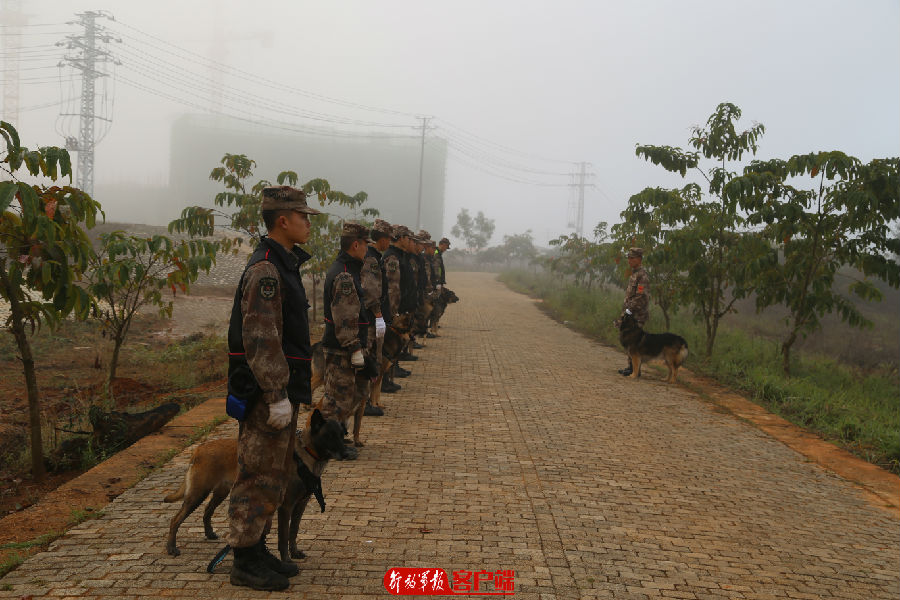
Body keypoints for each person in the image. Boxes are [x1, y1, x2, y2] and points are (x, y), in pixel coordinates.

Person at [225, 185, 320, 591]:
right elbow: (261, 337)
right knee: (257, 476)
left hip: (280, 391)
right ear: (283, 220)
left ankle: (257, 548)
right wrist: (276, 394)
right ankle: (244, 561)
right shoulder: (266, 269)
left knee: (273, 476)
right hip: (267, 395)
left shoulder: (283, 263)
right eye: (303, 216)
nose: (309, 223)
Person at [318, 222, 374, 460]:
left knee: (351, 396)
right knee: (336, 401)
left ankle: (338, 440)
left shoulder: (349, 269)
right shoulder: (344, 274)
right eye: (365, 245)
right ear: (355, 245)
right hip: (342, 349)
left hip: (348, 347)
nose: (367, 250)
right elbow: (344, 316)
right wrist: (354, 347)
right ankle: (329, 446)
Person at [362, 219, 394, 405]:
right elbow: (371, 290)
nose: (389, 242)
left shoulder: (375, 257)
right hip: (371, 319)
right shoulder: (371, 259)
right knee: (371, 358)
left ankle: (372, 400)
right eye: (388, 239)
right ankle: (366, 402)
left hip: (375, 318)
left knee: (376, 359)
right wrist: (379, 316)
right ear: (382, 239)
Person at [617, 247, 650, 376]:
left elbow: (640, 296)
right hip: (630, 313)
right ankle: (631, 367)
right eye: (628, 258)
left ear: (639, 259)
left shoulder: (642, 276)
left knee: (635, 341)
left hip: (637, 314)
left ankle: (635, 369)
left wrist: (629, 310)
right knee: (629, 340)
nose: (629, 260)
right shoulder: (634, 274)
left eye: (632, 258)